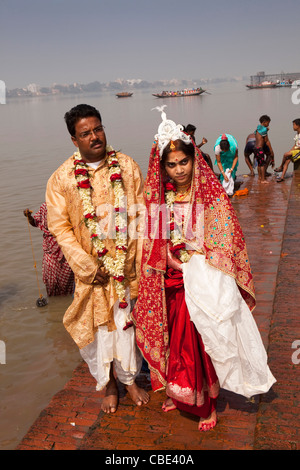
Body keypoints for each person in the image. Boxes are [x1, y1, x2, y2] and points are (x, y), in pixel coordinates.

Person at [133, 106, 276, 432]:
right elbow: (154, 237)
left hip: (200, 278)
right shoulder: (159, 198)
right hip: (169, 278)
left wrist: (194, 256)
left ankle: (205, 404)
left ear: (194, 159)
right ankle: (176, 392)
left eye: (184, 162)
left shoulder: (209, 196)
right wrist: (167, 257)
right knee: (171, 339)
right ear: (163, 167)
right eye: (171, 164)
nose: (179, 169)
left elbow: (224, 238)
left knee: (196, 342)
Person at [46, 104, 149, 413]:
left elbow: (142, 213)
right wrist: (86, 266)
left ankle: (130, 380)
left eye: (98, 129)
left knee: (127, 326)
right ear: (74, 140)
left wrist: (140, 260)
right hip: (92, 272)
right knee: (99, 333)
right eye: (86, 133)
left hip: (127, 266)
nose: (95, 137)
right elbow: (59, 227)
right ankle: (109, 385)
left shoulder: (127, 167)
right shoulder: (61, 179)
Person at [23, 203, 74, 296]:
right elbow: (35, 222)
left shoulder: (66, 205)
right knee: (51, 281)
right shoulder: (45, 206)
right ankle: (55, 301)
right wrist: (29, 216)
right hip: (50, 247)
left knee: (68, 281)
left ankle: (62, 304)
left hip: (65, 245)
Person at [253, 115, 275, 183]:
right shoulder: (264, 130)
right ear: (264, 122)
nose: (268, 125)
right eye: (268, 123)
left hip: (255, 148)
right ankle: (263, 179)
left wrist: (266, 130)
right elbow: (267, 141)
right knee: (262, 164)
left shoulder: (258, 128)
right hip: (260, 149)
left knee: (259, 164)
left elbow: (257, 133)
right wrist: (271, 150)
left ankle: (260, 178)